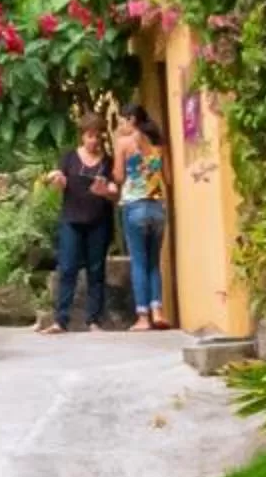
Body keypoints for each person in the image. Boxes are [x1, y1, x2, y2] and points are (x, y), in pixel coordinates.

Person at [42, 118, 120, 333]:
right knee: (67, 268)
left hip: (98, 221)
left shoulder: (108, 162)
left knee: (96, 270)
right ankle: (61, 320)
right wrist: (56, 179)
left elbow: (115, 191)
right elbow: (58, 177)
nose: (94, 141)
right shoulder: (69, 157)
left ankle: (94, 320)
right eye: (89, 136)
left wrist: (107, 192)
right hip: (71, 219)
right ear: (82, 136)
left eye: (97, 136)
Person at [116, 108, 172, 331]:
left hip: (135, 205)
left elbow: (119, 175)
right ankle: (158, 311)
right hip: (157, 206)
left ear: (131, 120)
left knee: (138, 262)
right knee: (153, 262)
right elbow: (167, 178)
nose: (120, 125)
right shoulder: (160, 144)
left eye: (122, 120)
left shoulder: (125, 143)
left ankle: (142, 316)